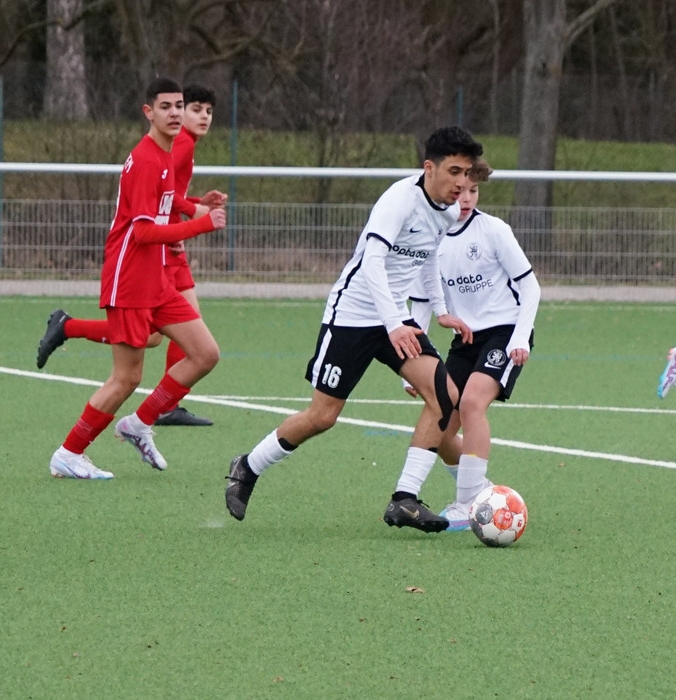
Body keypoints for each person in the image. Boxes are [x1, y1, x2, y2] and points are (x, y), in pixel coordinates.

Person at [224, 125, 482, 530]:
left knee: (445, 396)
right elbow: (372, 262)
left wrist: (440, 310)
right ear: (429, 168)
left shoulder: (448, 212)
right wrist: (394, 323)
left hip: (395, 320)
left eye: (466, 174)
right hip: (353, 316)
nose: (462, 184)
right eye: (454, 172)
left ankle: (405, 499)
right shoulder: (399, 200)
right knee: (323, 416)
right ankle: (248, 467)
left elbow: (429, 256)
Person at [49, 77, 226, 480]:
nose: (176, 113)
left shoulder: (164, 155)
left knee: (205, 354)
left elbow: (164, 205)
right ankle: (69, 453)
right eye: (166, 106)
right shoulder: (147, 159)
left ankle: (139, 424)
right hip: (130, 278)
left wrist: (195, 206)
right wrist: (201, 224)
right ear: (149, 112)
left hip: (156, 278)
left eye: (179, 105)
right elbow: (143, 232)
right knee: (126, 377)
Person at [402, 159, 540, 530]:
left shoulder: (494, 230)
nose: (466, 199)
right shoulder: (429, 239)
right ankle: (479, 489)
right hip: (464, 339)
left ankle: (466, 502)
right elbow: (422, 305)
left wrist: (520, 337)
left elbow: (530, 286)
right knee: (442, 425)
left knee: (472, 401)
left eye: (473, 191)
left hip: (505, 332)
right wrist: (411, 363)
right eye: (460, 191)